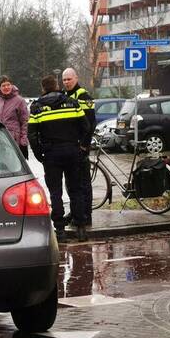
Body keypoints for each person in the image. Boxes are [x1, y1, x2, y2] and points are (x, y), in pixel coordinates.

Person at [29, 74, 91, 242]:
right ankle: (81, 228)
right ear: (56, 85)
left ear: (43, 88)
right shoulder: (72, 103)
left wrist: (39, 154)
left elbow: (32, 135)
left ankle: (60, 231)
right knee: (76, 190)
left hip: (51, 155)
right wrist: (81, 146)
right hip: (72, 151)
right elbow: (85, 127)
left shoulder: (37, 107)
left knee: (55, 193)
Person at [62, 68, 95, 227]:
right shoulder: (64, 96)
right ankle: (76, 211)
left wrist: (84, 146)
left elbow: (90, 124)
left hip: (80, 147)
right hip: (69, 147)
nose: (67, 82)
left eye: (69, 79)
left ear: (76, 78)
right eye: (64, 80)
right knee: (71, 183)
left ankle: (86, 215)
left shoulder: (83, 96)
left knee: (83, 184)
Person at [0, 75, 30, 158]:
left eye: (8, 84)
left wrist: (23, 141)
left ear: (12, 85)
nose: (6, 87)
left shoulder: (19, 101)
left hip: (14, 141)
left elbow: (25, 122)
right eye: (3, 85)